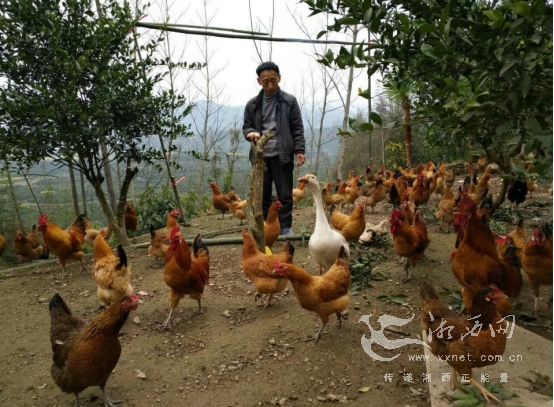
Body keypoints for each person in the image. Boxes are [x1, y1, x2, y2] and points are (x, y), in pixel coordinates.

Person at [242, 61, 305, 236]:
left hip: (282, 155)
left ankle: (284, 227)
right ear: (259, 81)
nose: (270, 85)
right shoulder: (252, 105)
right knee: (262, 193)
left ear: (279, 78)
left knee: (285, 193)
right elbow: (246, 127)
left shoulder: (289, 102)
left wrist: (299, 150)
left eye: (273, 80)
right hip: (260, 156)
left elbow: (297, 128)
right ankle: (264, 226)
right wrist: (250, 134)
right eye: (265, 81)